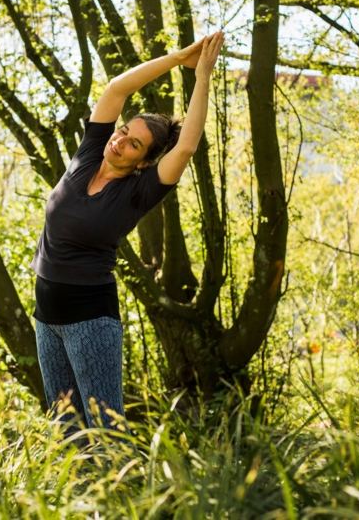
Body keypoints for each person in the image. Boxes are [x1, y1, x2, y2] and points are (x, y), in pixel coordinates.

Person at [31, 31, 225, 432]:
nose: (119, 142)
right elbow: (117, 88)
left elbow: (186, 147)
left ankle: (123, 479)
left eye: (133, 144)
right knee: (64, 430)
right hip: (46, 315)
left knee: (106, 431)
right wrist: (178, 57)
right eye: (123, 131)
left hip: (90, 320)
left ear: (143, 163)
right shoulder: (90, 153)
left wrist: (202, 75)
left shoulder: (139, 191)